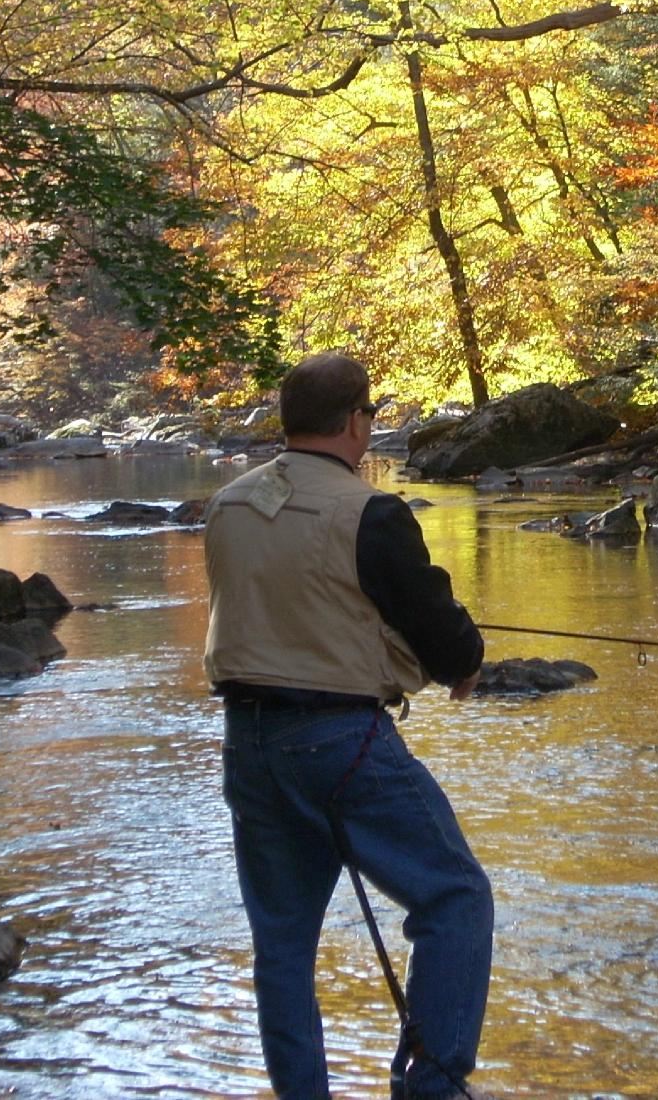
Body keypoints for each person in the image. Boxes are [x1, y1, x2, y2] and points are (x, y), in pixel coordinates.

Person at [204, 352, 492, 1099]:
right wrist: (465, 661)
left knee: (283, 943)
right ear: (356, 422)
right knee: (454, 897)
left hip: (248, 743)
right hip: (341, 743)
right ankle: (431, 1087)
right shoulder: (371, 512)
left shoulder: (227, 504)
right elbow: (430, 618)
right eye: (370, 416)